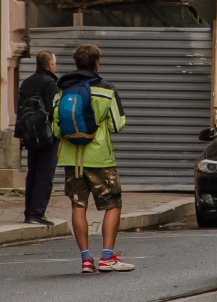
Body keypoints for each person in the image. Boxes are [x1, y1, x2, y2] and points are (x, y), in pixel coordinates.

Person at [53, 44, 134, 273]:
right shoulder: (107, 90)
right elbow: (118, 124)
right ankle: (107, 257)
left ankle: (86, 259)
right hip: (99, 158)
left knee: (78, 204)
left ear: (76, 63)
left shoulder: (62, 92)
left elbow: (56, 129)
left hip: (71, 159)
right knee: (113, 203)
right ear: (96, 63)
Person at [17, 51, 60, 226]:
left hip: (29, 133)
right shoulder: (50, 83)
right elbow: (52, 111)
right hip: (45, 135)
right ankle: (36, 213)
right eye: (54, 63)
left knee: (33, 172)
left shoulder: (27, 81)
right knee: (45, 173)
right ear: (50, 65)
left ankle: (29, 211)